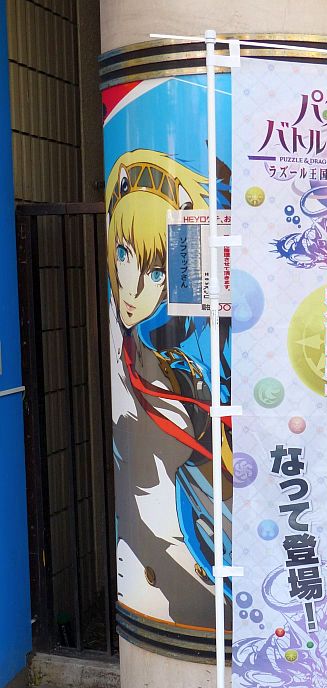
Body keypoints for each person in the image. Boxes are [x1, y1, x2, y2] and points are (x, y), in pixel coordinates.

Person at [105, 149, 233, 627]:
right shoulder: (130, 364)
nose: (134, 287)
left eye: (157, 272)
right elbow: (153, 522)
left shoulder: (169, 368)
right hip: (161, 583)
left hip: (188, 571)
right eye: (123, 254)